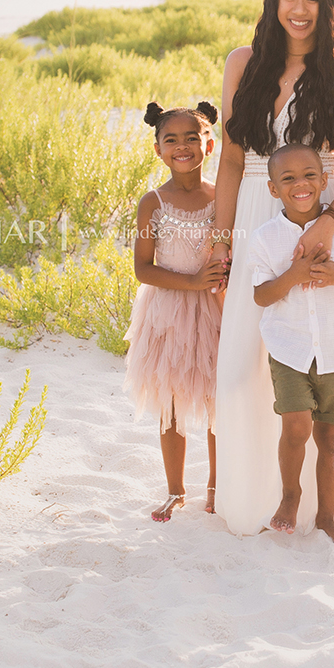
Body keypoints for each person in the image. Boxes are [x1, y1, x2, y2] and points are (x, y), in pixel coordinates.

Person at [209, 0, 334, 535]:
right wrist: (221, 240)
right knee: (242, 367)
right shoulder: (243, 63)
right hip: (255, 221)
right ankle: (252, 496)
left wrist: (330, 223)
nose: (300, 10)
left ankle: (316, 508)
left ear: (329, 6)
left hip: (320, 223)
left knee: (317, 354)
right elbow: (233, 160)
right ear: (273, 1)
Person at [245, 145, 334, 543]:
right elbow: (261, 296)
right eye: (287, 179)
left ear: (323, 181)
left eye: (308, 176)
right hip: (289, 348)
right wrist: (295, 273)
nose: (299, 184)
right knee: (297, 427)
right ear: (272, 189)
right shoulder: (266, 238)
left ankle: (327, 518)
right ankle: (290, 494)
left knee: (332, 436)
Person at [123, 101, 225, 521]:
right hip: (167, 307)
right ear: (158, 150)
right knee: (170, 402)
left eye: (192, 138)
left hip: (214, 307)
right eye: (171, 140)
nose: (182, 147)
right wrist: (190, 282)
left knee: (218, 399)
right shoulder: (153, 203)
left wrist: (213, 281)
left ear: (210, 145)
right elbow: (142, 269)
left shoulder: (222, 197)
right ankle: (175, 489)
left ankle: (217, 485)